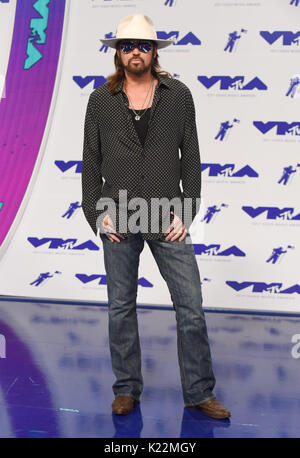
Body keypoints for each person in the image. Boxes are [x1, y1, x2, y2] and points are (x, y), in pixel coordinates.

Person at [81, 14, 230, 420]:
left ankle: (200, 391)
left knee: (191, 306)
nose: (134, 52)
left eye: (142, 45)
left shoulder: (179, 95)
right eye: (127, 45)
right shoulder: (100, 99)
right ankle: (126, 389)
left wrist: (188, 209)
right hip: (119, 214)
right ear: (118, 52)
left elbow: (192, 158)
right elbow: (90, 162)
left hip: (167, 214)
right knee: (120, 308)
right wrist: (98, 213)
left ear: (154, 51)